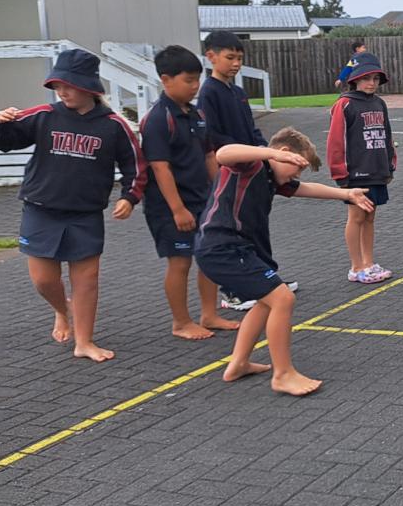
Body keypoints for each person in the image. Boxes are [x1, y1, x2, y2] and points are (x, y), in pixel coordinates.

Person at [196, 127, 375, 396]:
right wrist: (269, 153)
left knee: (266, 302)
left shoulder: (272, 177)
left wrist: (346, 194)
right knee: (283, 299)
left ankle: (239, 363)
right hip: (223, 247)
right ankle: (283, 374)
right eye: (297, 166)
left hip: (240, 249)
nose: (297, 174)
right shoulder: (251, 164)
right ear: (283, 153)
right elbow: (223, 153)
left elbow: (305, 189)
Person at [0, 49, 146, 362]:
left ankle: (85, 341)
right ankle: (62, 309)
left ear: (89, 87)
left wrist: (129, 197)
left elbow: (135, 165)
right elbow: (6, 141)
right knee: (43, 279)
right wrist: (0, 122)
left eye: (69, 85)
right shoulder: (44, 114)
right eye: (57, 85)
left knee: (86, 280)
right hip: (41, 209)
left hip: (85, 214)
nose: (62, 91)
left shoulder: (113, 125)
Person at [140, 45, 238, 341]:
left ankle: (209, 314)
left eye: (197, 80)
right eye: (188, 80)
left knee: (209, 256)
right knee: (180, 262)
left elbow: (209, 156)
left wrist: (220, 193)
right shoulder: (158, 119)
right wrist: (177, 209)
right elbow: (160, 168)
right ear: (165, 79)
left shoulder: (196, 114)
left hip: (202, 199)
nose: (195, 86)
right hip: (170, 206)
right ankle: (181, 322)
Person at [199, 30, 297, 308]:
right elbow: (214, 137)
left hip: (254, 167)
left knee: (257, 225)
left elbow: (252, 130)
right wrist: (246, 154)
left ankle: (268, 278)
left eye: (239, 58)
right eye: (230, 57)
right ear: (211, 56)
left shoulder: (238, 93)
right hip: (233, 170)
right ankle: (232, 292)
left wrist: (267, 156)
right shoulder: (209, 92)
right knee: (237, 230)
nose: (236, 63)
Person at [327, 54, 395, 284]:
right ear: (355, 79)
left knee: (370, 217)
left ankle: (369, 262)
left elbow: (387, 135)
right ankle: (356, 267)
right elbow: (336, 141)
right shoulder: (344, 104)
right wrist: (340, 173)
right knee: (356, 217)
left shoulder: (379, 103)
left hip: (377, 170)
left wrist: (389, 165)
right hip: (355, 173)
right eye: (366, 78)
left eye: (375, 78)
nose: (371, 83)